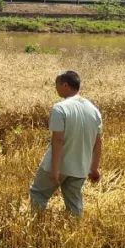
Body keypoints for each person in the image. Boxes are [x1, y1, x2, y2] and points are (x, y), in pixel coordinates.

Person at [29, 70, 102, 217]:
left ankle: (36, 228)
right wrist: (93, 168)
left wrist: (54, 169)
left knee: (38, 194)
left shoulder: (60, 108)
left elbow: (58, 140)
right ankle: (74, 233)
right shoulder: (94, 111)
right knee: (74, 205)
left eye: (57, 85)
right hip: (80, 168)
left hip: (60, 165)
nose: (55, 88)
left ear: (65, 85)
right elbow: (98, 142)